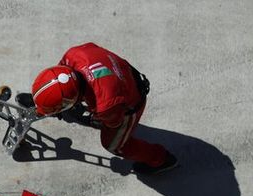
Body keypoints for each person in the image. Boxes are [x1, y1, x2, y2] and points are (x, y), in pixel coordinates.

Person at [21, 42, 177, 175]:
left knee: (114, 145)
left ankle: (161, 160)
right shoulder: (73, 55)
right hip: (123, 76)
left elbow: (113, 122)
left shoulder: (105, 106)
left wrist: (84, 117)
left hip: (130, 101)